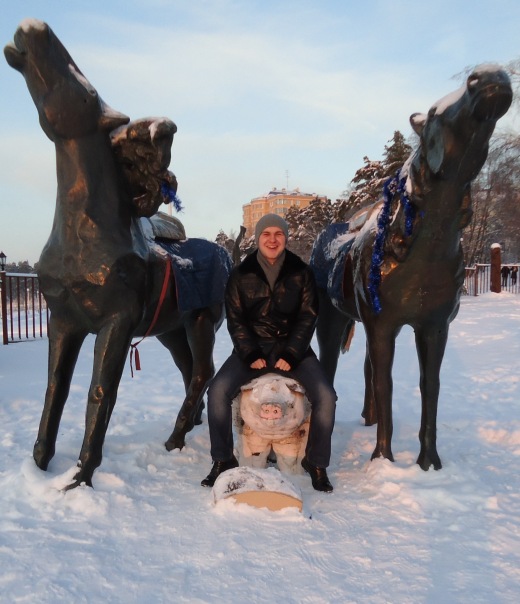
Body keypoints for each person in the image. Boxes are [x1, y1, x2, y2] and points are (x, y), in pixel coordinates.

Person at [201, 214, 337, 492]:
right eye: (266, 234)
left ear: (285, 238)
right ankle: (223, 459)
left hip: (294, 349)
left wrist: (292, 354)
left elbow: (308, 316)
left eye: (278, 234)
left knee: (326, 396)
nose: (272, 240)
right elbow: (236, 320)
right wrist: (250, 354)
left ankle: (316, 462)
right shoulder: (241, 274)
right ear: (258, 238)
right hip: (253, 349)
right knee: (216, 391)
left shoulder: (302, 272)